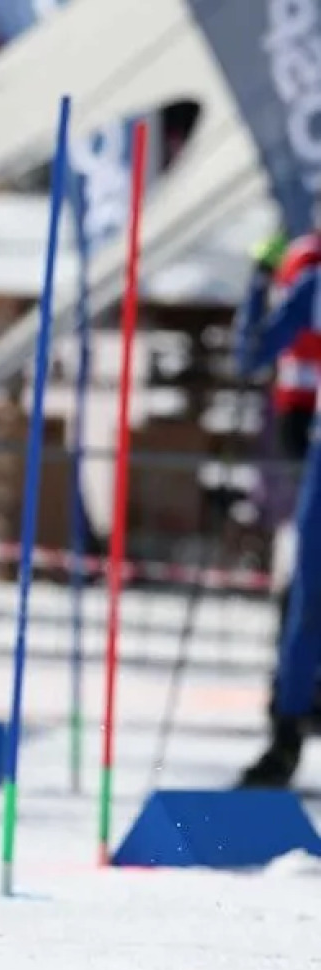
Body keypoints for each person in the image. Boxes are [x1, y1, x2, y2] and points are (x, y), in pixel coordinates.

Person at [234, 254, 321, 787]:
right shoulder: (315, 283)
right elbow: (251, 355)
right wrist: (259, 282)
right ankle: (284, 739)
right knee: (307, 601)